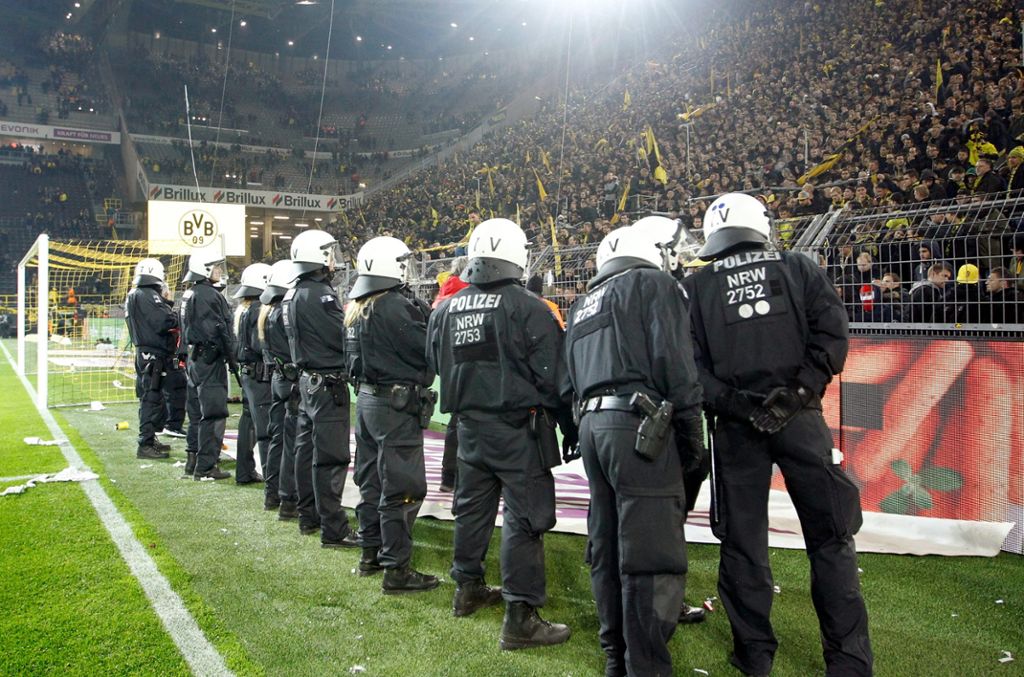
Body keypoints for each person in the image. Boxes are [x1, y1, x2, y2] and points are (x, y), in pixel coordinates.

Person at [681, 193, 872, 676]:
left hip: (736, 428)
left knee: (743, 543)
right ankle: (849, 663)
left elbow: (690, 367)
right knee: (830, 539)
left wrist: (737, 404)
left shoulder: (698, 285)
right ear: (760, 224)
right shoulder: (798, 266)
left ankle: (754, 656)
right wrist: (797, 392)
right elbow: (832, 334)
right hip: (802, 419)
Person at [427, 218, 576, 649]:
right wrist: (568, 428)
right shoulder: (530, 307)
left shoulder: (446, 308)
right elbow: (554, 380)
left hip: (468, 429)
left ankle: (467, 589)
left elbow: (436, 364)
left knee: (471, 511)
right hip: (518, 430)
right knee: (524, 519)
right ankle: (520, 616)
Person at [563, 226, 705, 677]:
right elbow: (675, 364)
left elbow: (567, 381)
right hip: (639, 426)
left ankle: (614, 657)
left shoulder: (582, 302)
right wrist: (690, 435)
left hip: (592, 427)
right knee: (649, 550)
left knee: (606, 544)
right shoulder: (653, 284)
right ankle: (645, 665)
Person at [346, 236, 439, 593]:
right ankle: (396, 570)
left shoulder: (358, 306)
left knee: (371, 482)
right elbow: (426, 348)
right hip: (395, 407)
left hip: (368, 402)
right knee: (402, 486)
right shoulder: (395, 306)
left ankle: (371, 554)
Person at [282, 229, 359, 548]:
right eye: (327, 252)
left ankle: (308, 515)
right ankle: (333, 528)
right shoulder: (319, 293)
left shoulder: (293, 292)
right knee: (331, 457)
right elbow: (338, 336)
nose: (333, 258)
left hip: (306, 381)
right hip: (326, 384)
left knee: (306, 452)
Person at [179, 249, 235, 481]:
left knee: (196, 414)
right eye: (215, 266)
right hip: (209, 359)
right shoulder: (209, 295)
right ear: (205, 268)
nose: (220, 270)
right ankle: (206, 466)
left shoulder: (190, 293)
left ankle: (193, 460)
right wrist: (231, 355)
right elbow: (218, 330)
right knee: (213, 414)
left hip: (195, 358)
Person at [259, 260, 300, 519]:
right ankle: (288, 500)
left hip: (277, 379)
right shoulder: (283, 313)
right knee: (292, 443)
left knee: (278, 440)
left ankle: (272, 494)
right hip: (290, 381)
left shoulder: (268, 312)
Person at [124, 258, 175, 460]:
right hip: (152, 354)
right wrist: (172, 309)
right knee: (151, 398)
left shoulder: (133, 294)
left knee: (149, 396)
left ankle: (149, 438)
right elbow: (164, 321)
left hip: (143, 352)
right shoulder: (147, 295)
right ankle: (145, 443)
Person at [233, 262, 273, 486]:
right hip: (259, 376)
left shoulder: (244, 309)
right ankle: (271, 479)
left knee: (248, 424)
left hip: (248, 375)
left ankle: (245, 471)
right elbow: (260, 346)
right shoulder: (259, 309)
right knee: (266, 429)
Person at [432, 256, 469, 493]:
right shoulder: (467, 295)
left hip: (447, 369)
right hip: (468, 367)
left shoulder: (441, 296)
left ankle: (448, 477)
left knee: (454, 425)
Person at [155, 281, 187, 439]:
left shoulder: (153, 308)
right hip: (168, 355)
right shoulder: (164, 310)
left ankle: (160, 424)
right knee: (177, 389)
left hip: (158, 356)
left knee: (160, 391)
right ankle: (173, 425)